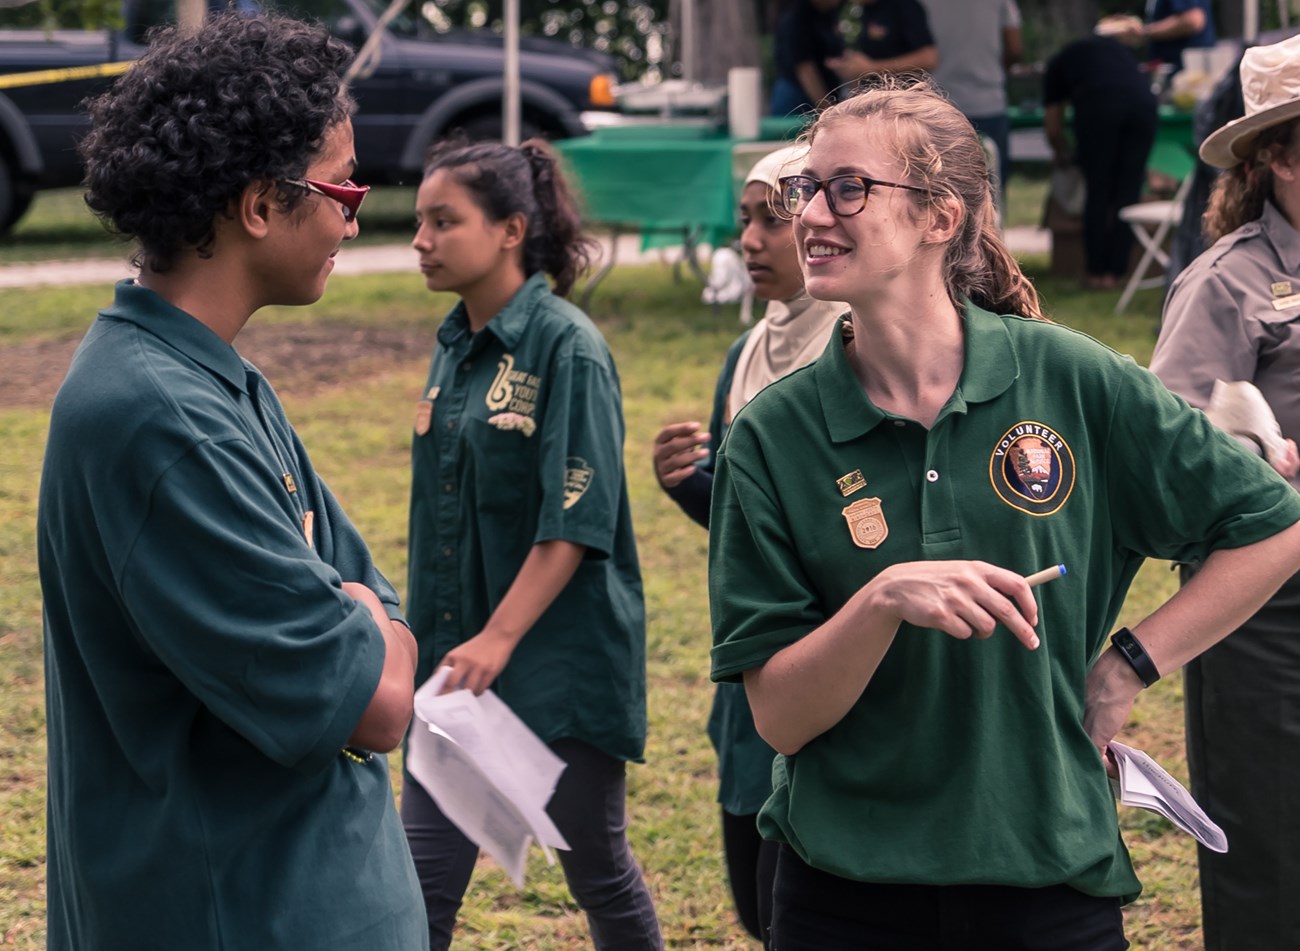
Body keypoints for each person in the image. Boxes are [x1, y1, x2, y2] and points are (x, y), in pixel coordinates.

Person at [707, 75, 1300, 950]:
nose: (811, 215)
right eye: (806, 189)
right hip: (845, 888)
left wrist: (1127, 666)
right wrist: (880, 602)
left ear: (941, 218)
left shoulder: (1072, 378)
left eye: (848, 189)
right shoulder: (771, 436)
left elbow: (1275, 526)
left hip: (1049, 874)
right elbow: (781, 720)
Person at [37, 13, 426, 951]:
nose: (354, 212)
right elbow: (378, 704)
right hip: (240, 911)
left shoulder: (210, 378)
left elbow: (380, 608)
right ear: (259, 205)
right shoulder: (158, 417)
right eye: (340, 184)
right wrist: (360, 619)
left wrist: (362, 615)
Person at [403, 138, 663, 951]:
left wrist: (500, 638)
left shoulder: (568, 346)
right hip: (456, 666)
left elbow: (576, 522)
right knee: (416, 888)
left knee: (596, 870)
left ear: (511, 229)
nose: (421, 240)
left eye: (446, 221)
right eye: (420, 221)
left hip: (557, 666)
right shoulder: (454, 345)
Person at [651, 143, 845, 948]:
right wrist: (688, 484)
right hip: (749, 660)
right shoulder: (748, 352)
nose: (751, 241)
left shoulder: (855, 348)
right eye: (745, 221)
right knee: (752, 898)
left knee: (803, 900)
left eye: (774, 219)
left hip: (832, 662)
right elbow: (748, 525)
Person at [1149, 32, 1300, 951]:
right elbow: (1165, 456)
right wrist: (1258, 456)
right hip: (1266, 615)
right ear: (1277, 155)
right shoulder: (1228, 283)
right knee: (1270, 854)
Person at [1043, 16, 1159, 290]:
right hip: (1144, 107)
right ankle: (1117, 273)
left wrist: (1061, 153)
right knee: (1127, 191)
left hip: (1099, 108)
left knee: (1098, 191)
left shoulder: (1057, 65)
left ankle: (1096, 274)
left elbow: (1053, 125)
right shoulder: (1120, 53)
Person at [919, 0, 1022, 208]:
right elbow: (1014, 48)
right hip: (988, 100)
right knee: (991, 200)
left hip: (936, 102)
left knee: (936, 197)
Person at [825, 0, 938, 87]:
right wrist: (847, 65)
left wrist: (873, 68)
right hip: (869, 97)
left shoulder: (902, 5)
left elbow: (929, 59)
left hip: (904, 96)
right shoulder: (852, 10)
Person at [770, 0, 847, 116]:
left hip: (826, 91)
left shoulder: (827, 14)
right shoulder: (795, 18)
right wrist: (828, 111)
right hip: (798, 96)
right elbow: (804, 69)